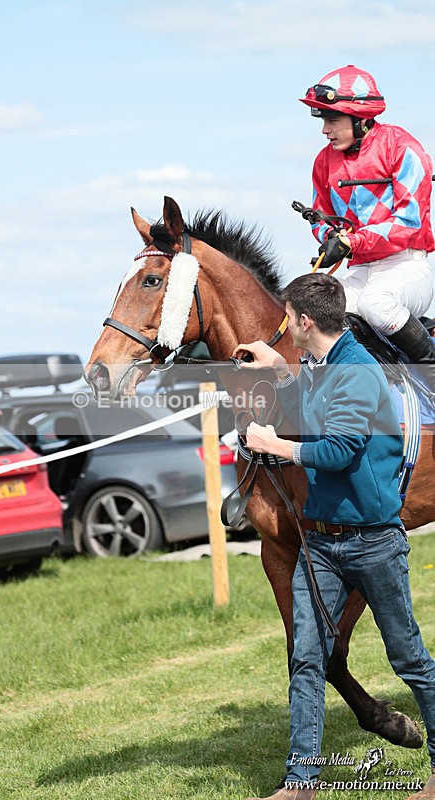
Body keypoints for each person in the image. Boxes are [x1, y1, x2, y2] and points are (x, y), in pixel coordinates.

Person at [233, 272, 435, 800]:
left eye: (287, 319)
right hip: (321, 545)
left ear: (304, 322)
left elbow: (340, 449)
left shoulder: (359, 371)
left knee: (410, 660)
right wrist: (280, 372)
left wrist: (276, 447)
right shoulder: (324, 366)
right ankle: (301, 783)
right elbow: (312, 409)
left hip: (372, 543)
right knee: (306, 658)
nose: (284, 328)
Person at [301, 64, 435, 398]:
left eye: (332, 120)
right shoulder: (323, 162)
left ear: (360, 118)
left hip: (407, 265)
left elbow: (410, 221)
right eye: (323, 120)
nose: (325, 130)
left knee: (377, 302)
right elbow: (321, 219)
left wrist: (352, 241)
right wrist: (329, 239)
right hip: (361, 270)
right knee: (317, 313)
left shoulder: (401, 147)